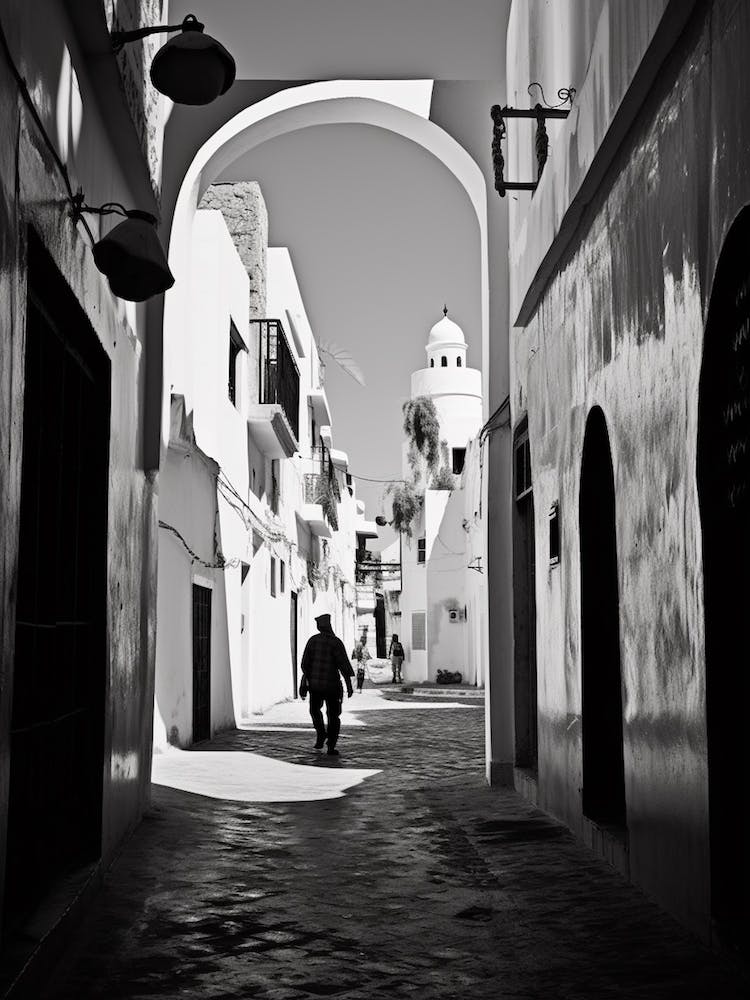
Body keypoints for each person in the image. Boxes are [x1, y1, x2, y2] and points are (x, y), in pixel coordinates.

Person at [299, 613, 354, 755]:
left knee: (315, 711)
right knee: (333, 715)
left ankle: (321, 733)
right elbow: (344, 666)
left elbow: (305, 664)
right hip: (332, 687)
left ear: (319, 627)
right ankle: (331, 746)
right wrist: (349, 685)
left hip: (316, 686)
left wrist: (307, 679)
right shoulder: (336, 642)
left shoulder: (313, 641)